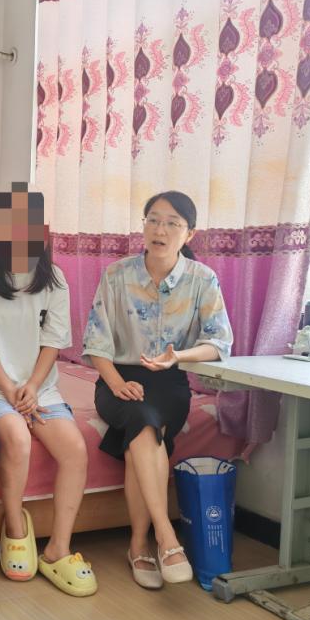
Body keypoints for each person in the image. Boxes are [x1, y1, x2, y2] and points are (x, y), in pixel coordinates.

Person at [83, 190, 232, 589]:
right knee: (143, 424)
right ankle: (165, 537)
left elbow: (219, 343)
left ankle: (138, 544)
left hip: (170, 381)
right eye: (153, 220)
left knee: (143, 433)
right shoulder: (117, 274)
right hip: (117, 378)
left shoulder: (202, 279)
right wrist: (116, 382)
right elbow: (96, 342)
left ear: (189, 234)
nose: (160, 230)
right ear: (144, 225)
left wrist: (177, 356)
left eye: (172, 223)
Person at [0, 183, 97, 597]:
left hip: (38, 387)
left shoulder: (54, 278)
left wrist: (32, 386)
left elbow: (54, 340)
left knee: (75, 449)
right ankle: (15, 526)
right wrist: (12, 391)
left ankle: (58, 548)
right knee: (16, 437)